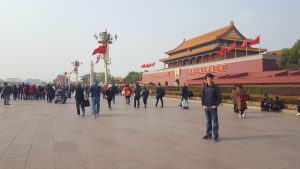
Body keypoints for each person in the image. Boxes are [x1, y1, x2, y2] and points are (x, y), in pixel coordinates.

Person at [201, 73, 222, 142]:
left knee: (215, 122)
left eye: (209, 78)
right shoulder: (204, 87)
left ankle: (215, 136)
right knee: (208, 122)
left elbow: (219, 97)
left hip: (213, 107)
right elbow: (202, 96)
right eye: (207, 78)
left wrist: (215, 105)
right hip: (206, 107)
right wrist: (203, 105)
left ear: (212, 79)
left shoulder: (216, 87)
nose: (208, 79)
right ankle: (208, 135)